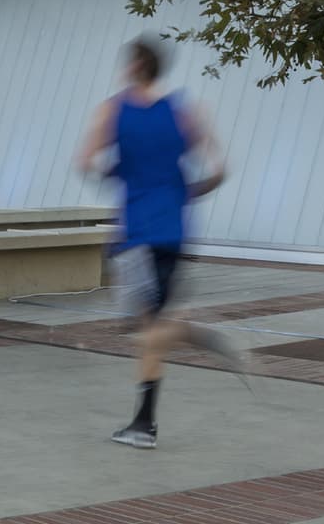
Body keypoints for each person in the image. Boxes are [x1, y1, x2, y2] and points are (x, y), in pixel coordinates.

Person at [74, 34, 234, 450]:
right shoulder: (186, 111)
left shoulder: (114, 110)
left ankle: (191, 338)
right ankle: (144, 423)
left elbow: (85, 160)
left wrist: (119, 175)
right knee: (153, 325)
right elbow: (220, 169)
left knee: (146, 329)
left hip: (135, 233)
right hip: (175, 231)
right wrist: (184, 191)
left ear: (133, 67)